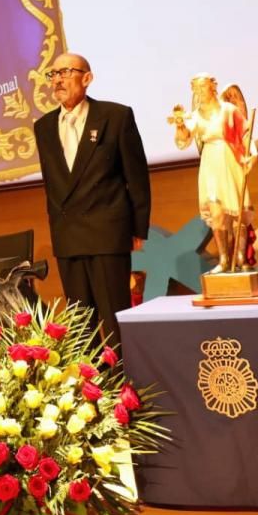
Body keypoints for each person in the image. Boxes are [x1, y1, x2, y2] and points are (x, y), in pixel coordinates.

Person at [32, 53, 151, 346]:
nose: (58, 79)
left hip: (107, 232)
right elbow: (53, 184)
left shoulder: (115, 116)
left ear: (87, 78)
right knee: (80, 324)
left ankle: (125, 385)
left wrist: (138, 227)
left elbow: (135, 175)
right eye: (53, 74)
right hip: (69, 237)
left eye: (66, 72)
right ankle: (91, 388)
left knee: (114, 319)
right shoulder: (44, 127)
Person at [170, 74, 258, 271]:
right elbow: (183, 141)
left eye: (203, 88)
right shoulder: (195, 115)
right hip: (210, 163)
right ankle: (224, 259)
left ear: (213, 88)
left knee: (237, 211)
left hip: (230, 159)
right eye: (196, 90)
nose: (199, 93)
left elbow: (245, 134)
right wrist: (180, 125)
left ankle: (241, 257)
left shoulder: (228, 110)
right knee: (216, 211)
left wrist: (251, 155)